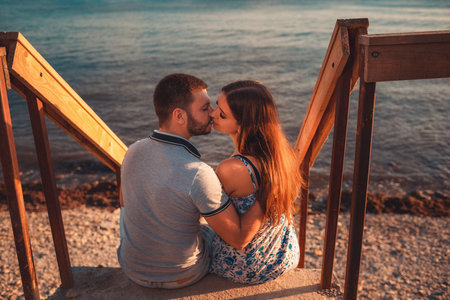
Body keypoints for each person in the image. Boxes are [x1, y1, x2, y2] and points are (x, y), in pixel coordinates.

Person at [117, 74, 261, 289]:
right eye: (204, 108)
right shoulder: (198, 173)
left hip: (132, 268)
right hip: (182, 275)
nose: (212, 113)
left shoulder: (133, 150)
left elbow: (124, 202)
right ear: (179, 116)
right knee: (216, 236)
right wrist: (268, 194)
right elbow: (239, 239)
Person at [208, 80, 302, 284]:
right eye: (216, 105)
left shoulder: (231, 169)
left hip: (250, 267)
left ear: (243, 125)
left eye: (222, 114)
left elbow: (239, 239)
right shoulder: (282, 154)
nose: (213, 114)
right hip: (286, 253)